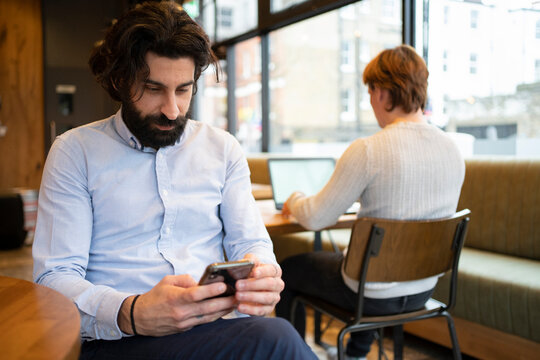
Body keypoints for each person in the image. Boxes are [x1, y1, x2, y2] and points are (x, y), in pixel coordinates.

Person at [32, 2, 317, 359]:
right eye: (154, 89)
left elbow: (252, 242)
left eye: (183, 90)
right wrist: (133, 312)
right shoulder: (75, 152)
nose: (172, 110)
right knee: (276, 340)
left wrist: (263, 274)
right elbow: (54, 279)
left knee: (273, 336)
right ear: (121, 81)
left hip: (217, 329)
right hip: (120, 340)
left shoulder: (222, 148)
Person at [275, 45, 465, 360]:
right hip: (424, 289)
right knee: (367, 265)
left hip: (372, 293)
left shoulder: (368, 150)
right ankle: (355, 354)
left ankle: (297, 356)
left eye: (370, 91)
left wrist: (294, 200)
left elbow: (315, 218)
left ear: (379, 93)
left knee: (288, 271)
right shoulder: (453, 150)